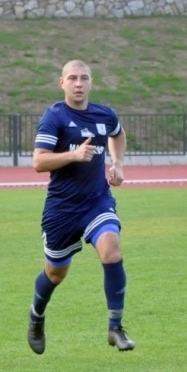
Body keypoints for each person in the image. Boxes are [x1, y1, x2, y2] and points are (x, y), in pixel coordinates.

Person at [26, 60, 134, 354]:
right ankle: (36, 316)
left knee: (112, 250)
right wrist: (73, 155)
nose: (78, 83)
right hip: (62, 209)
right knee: (55, 274)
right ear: (62, 82)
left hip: (97, 201)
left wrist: (118, 163)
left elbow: (118, 134)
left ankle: (115, 327)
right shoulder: (55, 117)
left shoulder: (104, 114)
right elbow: (38, 161)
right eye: (72, 78)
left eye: (83, 78)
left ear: (91, 82)